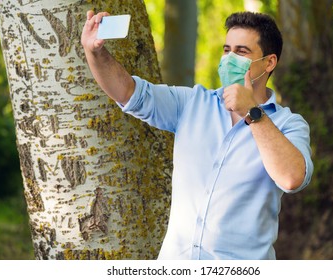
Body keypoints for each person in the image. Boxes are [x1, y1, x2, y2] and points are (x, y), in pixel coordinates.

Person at [81, 10, 313, 260]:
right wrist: (95, 52)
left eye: (242, 51)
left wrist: (252, 112)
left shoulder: (289, 124)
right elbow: (128, 92)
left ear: (269, 63)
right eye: (227, 50)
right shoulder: (193, 102)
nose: (230, 58)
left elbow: (292, 178)